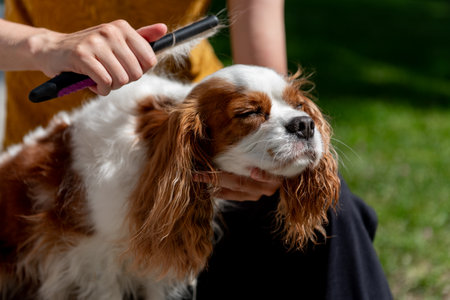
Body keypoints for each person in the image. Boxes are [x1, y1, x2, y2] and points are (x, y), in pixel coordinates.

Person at [0, 0, 392, 298]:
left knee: (338, 215)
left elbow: (270, 86)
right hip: (66, 169)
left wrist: (257, 158)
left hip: (211, 134)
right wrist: (45, 45)